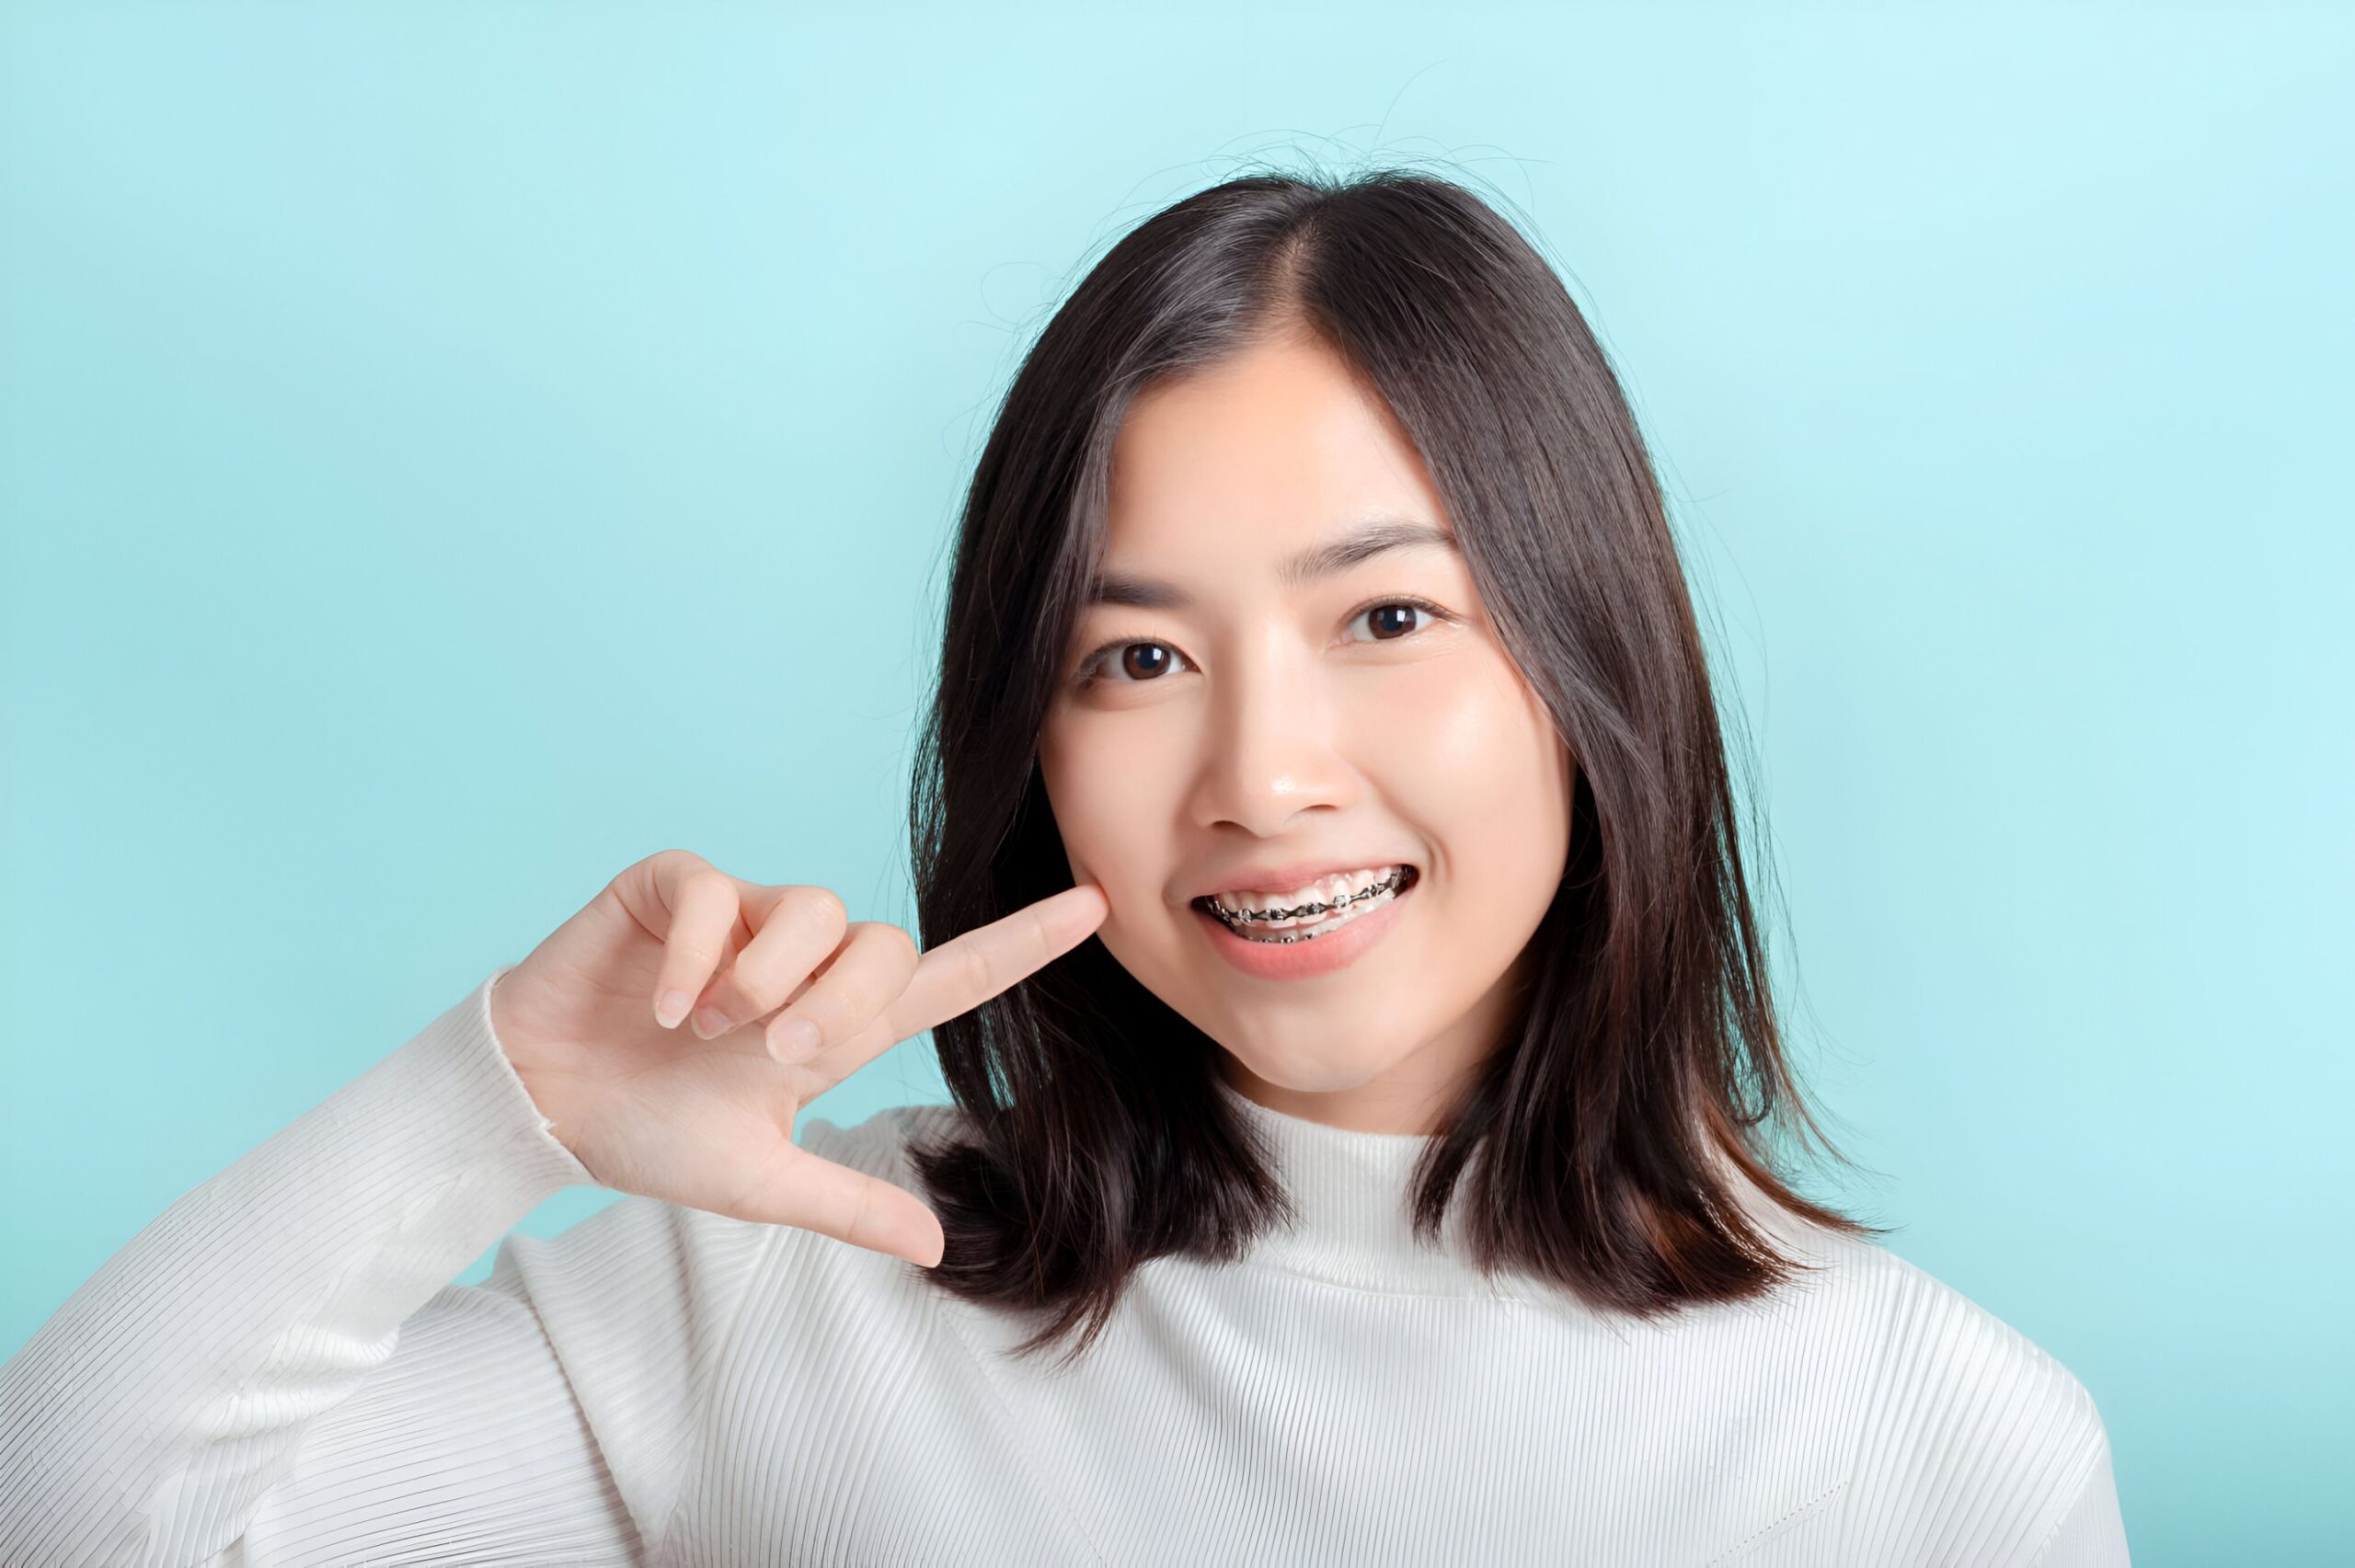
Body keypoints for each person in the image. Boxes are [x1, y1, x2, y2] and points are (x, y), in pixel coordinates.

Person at [0, 169, 2130, 1565]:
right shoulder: (781, 1296)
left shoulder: (1926, 1441)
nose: (1262, 772)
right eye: (1134, 655)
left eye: (1385, 619)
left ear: (1591, 670)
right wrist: (493, 1110)